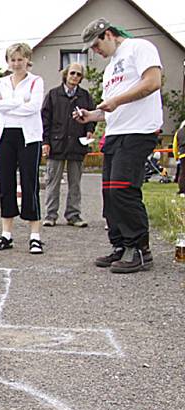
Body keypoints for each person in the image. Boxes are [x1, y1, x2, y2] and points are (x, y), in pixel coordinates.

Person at [74, 17, 163, 273]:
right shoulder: (110, 69)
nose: (95, 51)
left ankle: (140, 250)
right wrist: (91, 116)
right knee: (110, 193)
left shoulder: (139, 48)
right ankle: (120, 245)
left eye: (96, 44)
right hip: (115, 133)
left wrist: (118, 101)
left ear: (109, 34)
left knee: (124, 189)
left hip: (138, 131)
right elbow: (109, 108)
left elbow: (152, 82)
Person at [0, 43, 45, 255]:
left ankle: (35, 236)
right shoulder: (1, 82)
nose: (16, 63)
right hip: (5, 135)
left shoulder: (36, 81)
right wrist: (18, 102)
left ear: (27, 60)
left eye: (20, 59)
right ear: (8, 61)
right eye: (13, 60)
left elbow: (34, 106)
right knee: (5, 182)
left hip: (28, 136)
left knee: (29, 182)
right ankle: (6, 234)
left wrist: (8, 105)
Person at [41, 62, 95, 228]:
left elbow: (91, 116)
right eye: (72, 73)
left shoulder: (85, 96)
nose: (75, 77)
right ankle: (50, 215)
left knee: (75, 183)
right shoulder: (53, 95)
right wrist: (45, 142)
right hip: (57, 144)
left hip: (77, 145)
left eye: (79, 74)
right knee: (52, 182)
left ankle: (73, 215)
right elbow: (44, 120)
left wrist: (90, 131)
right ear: (66, 74)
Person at [173, 120, 185, 197]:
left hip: (183, 154)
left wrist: (176, 156)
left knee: (183, 173)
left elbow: (175, 146)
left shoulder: (178, 132)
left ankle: (182, 190)